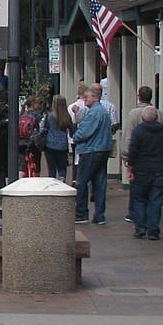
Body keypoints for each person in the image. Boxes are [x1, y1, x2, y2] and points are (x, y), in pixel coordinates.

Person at [125, 106, 163, 239]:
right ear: (157, 117)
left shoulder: (138, 131)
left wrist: (130, 168)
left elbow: (133, 151)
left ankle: (140, 227)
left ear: (142, 118)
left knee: (139, 199)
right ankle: (153, 230)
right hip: (159, 170)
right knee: (155, 201)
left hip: (141, 170)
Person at [122, 85, 163, 223]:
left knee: (137, 192)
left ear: (139, 96)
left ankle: (136, 217)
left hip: (139, 159)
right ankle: (151, 221)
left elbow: (128, 136)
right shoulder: (159, 114)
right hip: (157, 160)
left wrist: (127, 158)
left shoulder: (133, 114)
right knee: (154, 195)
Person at [73, 86, 112, 225]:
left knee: (82, 182)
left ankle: (81, 213)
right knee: (100, 183)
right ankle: (99, 215)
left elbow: (84, 132)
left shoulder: (94, 113)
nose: (84, 100)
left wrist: (75, 137)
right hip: (103, 149)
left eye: (87, 97)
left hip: (91, 150)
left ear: (95, 97)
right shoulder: (104, 112)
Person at [40, 95, 73, 182]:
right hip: (62, 145)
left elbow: (44, 130)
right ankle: (62, 182)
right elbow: (73, 132)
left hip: (50, 145)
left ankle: (53, 186)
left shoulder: (50, 116)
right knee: (62, 168)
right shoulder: (67, 117)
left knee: (51, 169)